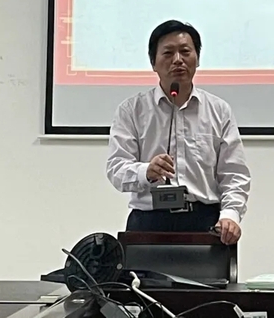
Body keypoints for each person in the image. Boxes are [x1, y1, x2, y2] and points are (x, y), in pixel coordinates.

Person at [105, 20, 251, 245]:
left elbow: (234, 173)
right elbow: (116, 169)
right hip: (148, 222)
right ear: (153, 63)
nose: (178, 60)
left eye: (185, 52)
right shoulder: (132, 110)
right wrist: (146, 171)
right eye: (168, 53)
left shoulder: (218, 111)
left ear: (197, 59)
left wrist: (230, 215)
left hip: (205, 222)